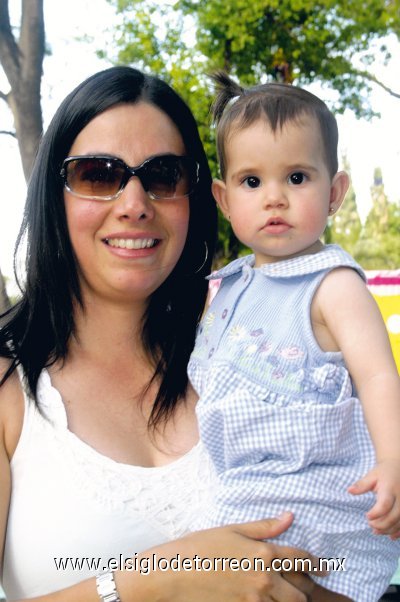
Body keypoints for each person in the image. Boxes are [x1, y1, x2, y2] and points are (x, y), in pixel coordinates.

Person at [0, 65, 324, 602]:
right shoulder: (9, 386)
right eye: (99, 175)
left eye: (164, 175)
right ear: (53, 197)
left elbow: (342, 565)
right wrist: (161, 580)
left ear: (197, 198)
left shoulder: (256, 355)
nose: (134, 204)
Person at [188, 71, 400, 602]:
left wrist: (394, 458)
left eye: (298, 178)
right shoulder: (228, 287)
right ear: (223, 197)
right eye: (252, 182)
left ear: (335, 192)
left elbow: (377, 374)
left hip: (318, 499)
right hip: (243, 496)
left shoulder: (332, 285)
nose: (274, 198)